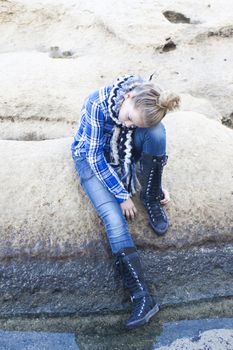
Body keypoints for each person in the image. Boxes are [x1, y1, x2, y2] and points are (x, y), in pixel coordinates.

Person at [71, 74, 180, 330]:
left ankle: (151, 195)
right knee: (113, 218)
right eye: (129, 118)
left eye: (134, 124)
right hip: (91, 156)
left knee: (156, 132)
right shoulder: (97, 104)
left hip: (124, 155)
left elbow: (137, 140)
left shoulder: (148, 98)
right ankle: (142, 296)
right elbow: (95, 157)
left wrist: (151, 179)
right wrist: (121, 195)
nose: (128, 124)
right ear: (128, 97)